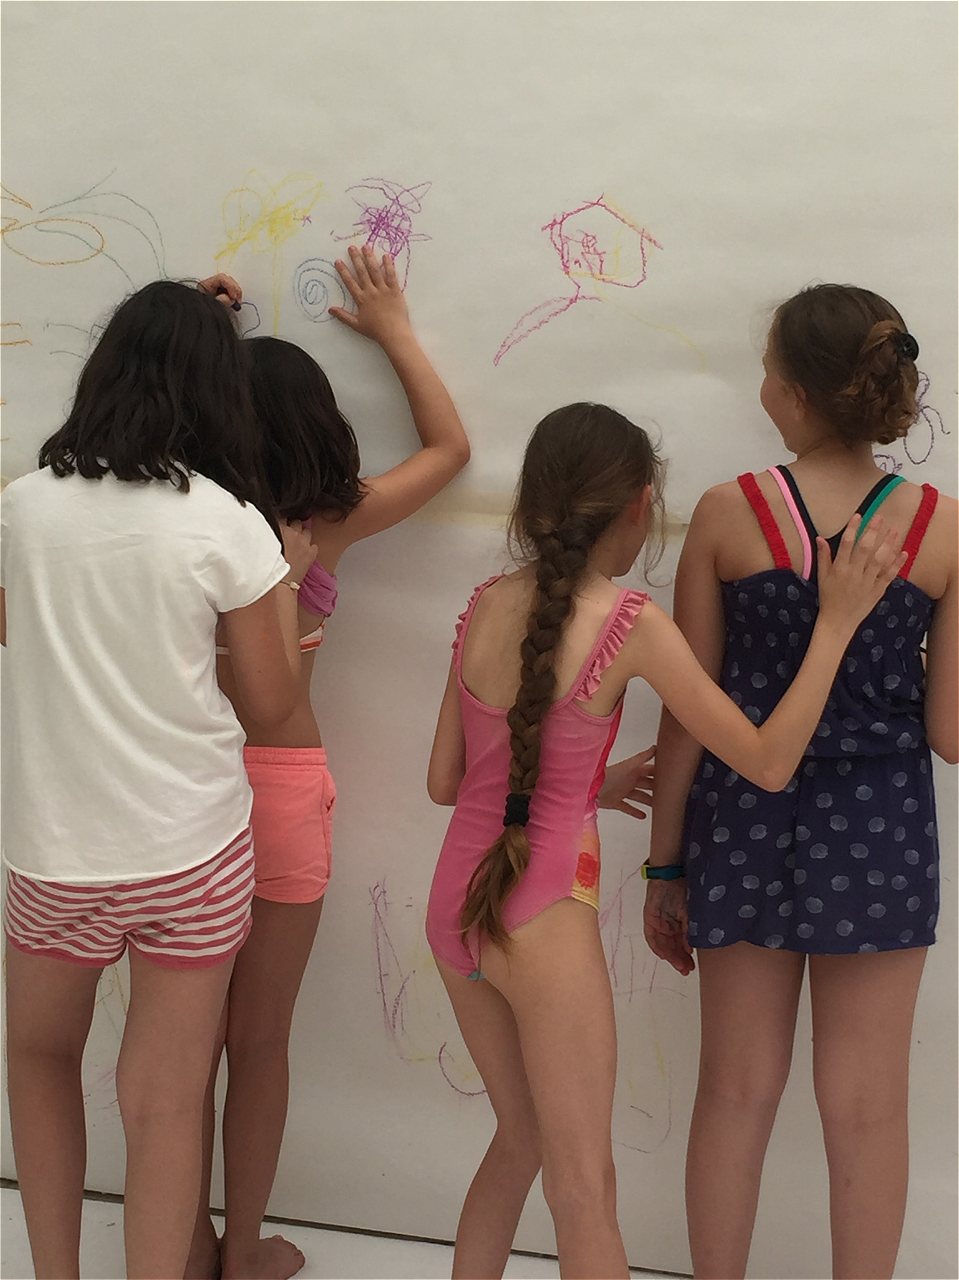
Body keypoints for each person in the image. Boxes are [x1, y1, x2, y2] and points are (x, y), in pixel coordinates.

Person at [425, 400, 905, 1279]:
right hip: (540, 915)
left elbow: (449, 784)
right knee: (584, 1191)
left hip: (455, 904)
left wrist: (582, 784)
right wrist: (834, 626)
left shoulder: (483, 602)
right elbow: (767, 762)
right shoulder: (629, 624)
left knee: (518, 1139)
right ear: (639, 504)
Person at [1, 280, 316, 1280]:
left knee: (40, 1059)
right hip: (189, 848)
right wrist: (283, 586)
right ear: (219, 392)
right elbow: (270, 706)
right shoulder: (227, 523)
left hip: (54, 848)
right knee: (166, 1102)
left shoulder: (20, 507)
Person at [647, 284, 957, 1279]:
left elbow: (686, 712)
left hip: (741, 812)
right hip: (882, 826)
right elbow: (949, 735)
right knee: (866, 1106)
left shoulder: (726, 513)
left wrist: (662, 867)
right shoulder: (942, 529)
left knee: (734, 1091)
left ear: (789, 392)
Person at [187, 245, 471, 1280]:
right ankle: (241, 1247)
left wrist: (193, 325)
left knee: (180, 1044)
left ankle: (179, 1241)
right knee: (258, 1039)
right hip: (281, 793)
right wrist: (393, 329)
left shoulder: (181, 519)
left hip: (186, 792)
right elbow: (449, 449)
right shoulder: (322, 524)